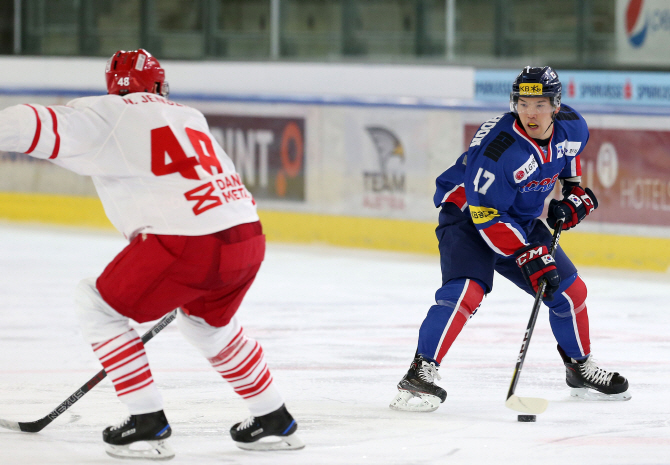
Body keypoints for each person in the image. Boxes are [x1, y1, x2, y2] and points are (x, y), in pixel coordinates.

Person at [0, 49, 303, 459]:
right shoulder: (188, 115)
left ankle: (147, 424)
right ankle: (274, 418)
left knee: (97, 305)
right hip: (247, 237)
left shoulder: (107, 114)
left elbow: (26, 122)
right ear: (160, 85)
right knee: (207, 326)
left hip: (185, 242)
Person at [389, 66, 631, 412]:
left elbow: (567, 153)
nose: (531, 112)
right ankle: (420, 371)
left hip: (518, 217)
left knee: (571, 293)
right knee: (466, 290)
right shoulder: (501, 150)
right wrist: (527, 255)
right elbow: (485, 214)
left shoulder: (572, 126)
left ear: (556, 105)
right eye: (523, 103)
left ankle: (579, 367)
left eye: (540, 103)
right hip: (469, 216)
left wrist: (573, 192)